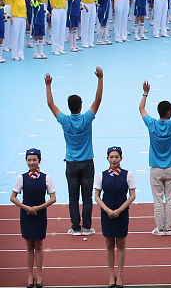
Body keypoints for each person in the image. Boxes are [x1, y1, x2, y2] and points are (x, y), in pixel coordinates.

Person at [44, 67, 103, 236]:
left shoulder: (64, 120)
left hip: (71, 163)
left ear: (69, 107)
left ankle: (76, 227)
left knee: (73, 197)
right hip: (87, 163)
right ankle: (87, 227)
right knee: (87, 197)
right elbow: (98, 99)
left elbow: (51, 104)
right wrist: (100, 78)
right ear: (81, 106)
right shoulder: (86, 119)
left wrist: (48, 85)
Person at [140, 74, 171, 236]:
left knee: (158, 200)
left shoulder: (152, 124)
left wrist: (145, 93)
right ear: (168, 112)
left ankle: (160, 228)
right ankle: (169, 228)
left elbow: (141, 109)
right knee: (170, 200)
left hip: (155, 168)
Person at [10, 148, 56, 288]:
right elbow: (13, 197)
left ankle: (39, 274)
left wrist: (38, 208)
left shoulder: (46, 178)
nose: (32, 162)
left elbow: (53, 198)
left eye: (34, 160)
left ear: (39, 160)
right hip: (26, 215)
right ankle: (30, 274)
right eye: (29, 160)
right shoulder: (21, 178)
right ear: (26, 161)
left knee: (39, 246)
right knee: (29, 247)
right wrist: (26, 208)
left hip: (40, 215)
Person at [95, 145, 136, 288]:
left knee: (121, 243)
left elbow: (132, 195)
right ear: (107, 158)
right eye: (111, 157)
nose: (114, 159)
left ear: (121, 158)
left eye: (116, 157)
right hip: (107, 214)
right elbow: (97, 196)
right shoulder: (101, 175)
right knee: (109, 244)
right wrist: (107, 210)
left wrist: (119, 210)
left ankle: (120, 274)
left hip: (122, 213)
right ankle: (111, 274)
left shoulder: (127, 175)